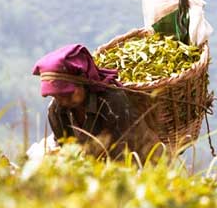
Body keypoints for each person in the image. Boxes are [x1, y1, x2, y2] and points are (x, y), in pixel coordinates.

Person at [33, 44, 161, 158]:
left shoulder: (111, 102)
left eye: (68, 94)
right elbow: (68, 151)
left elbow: (126, 153)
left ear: (83, 81)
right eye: (57, 96)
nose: (63, 102)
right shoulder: (56, 111)